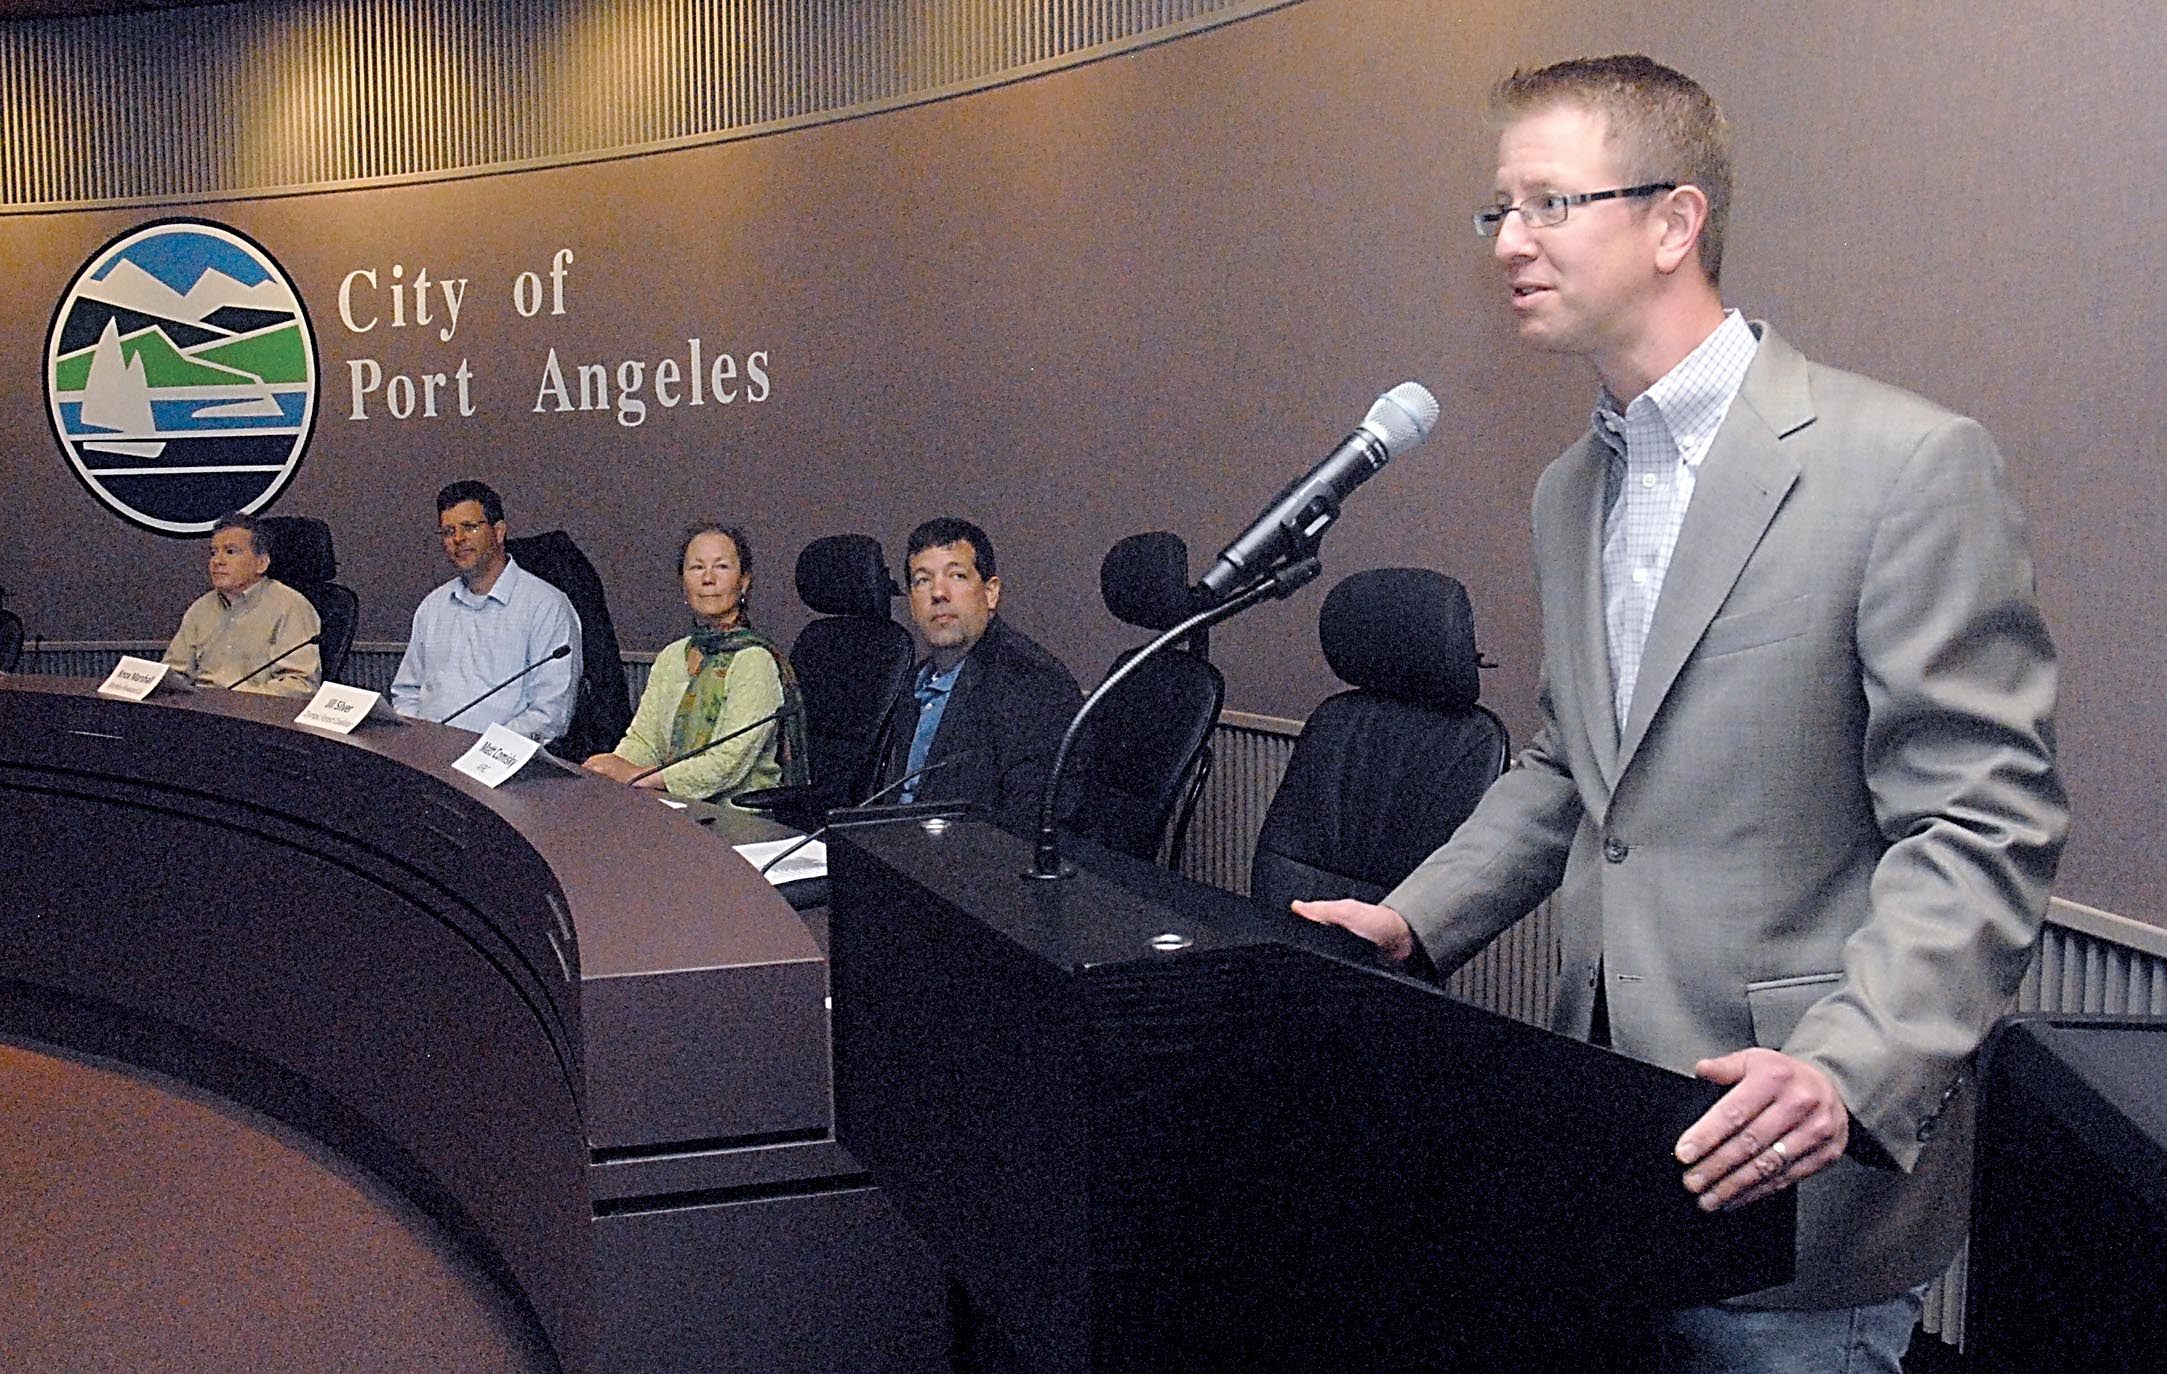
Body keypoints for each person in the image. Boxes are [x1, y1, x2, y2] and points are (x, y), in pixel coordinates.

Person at [1294, 55, 2065, 1371]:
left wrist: (1847, 1065)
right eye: (1494, 211)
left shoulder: (1898, 465)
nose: (1507, 244)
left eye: (1546, 203)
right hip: (1602, 1144)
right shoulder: (1564, 492)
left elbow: (1977, 829)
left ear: (1672, 221)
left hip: (1794, 1175)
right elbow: (1567, 767)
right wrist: (1414, 916)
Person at [583, 523, 808, 803]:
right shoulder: (671, 656)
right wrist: (610, 769)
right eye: (697, 567)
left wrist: (641, 777)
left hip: (739, 818)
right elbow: (643, 741)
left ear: (744, 582)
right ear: (683, 583)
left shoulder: (755, 660)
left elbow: (726, 764)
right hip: (669, 807)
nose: (708, 578)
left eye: (721, 567)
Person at [890, 517, 1081, 832]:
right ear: (911, 603)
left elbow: (1026, 828)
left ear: (991, 593)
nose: (938, 592)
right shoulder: (916, 682)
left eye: (957, 575)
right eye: (922, 580)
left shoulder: (1031, 682)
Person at [390, 480, 581, 742]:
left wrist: (482, 751)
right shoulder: (432, 607)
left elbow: (549, 715)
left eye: (469, 527)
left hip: (500, 765)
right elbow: (406, 692)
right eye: (448, 531)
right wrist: (420, 739)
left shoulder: (546, 606)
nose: (458, 539)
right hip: (428, 756)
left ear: (499, 531)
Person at [161, 510, 321, 697]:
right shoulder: (201, 608)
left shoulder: (291, 606)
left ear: (261, 563)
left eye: (230, 552)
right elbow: (174, 674)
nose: (217, 561)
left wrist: (234, 699)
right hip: (200, 711)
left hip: (256, 714)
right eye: (213, 553)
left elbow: (300, 685)